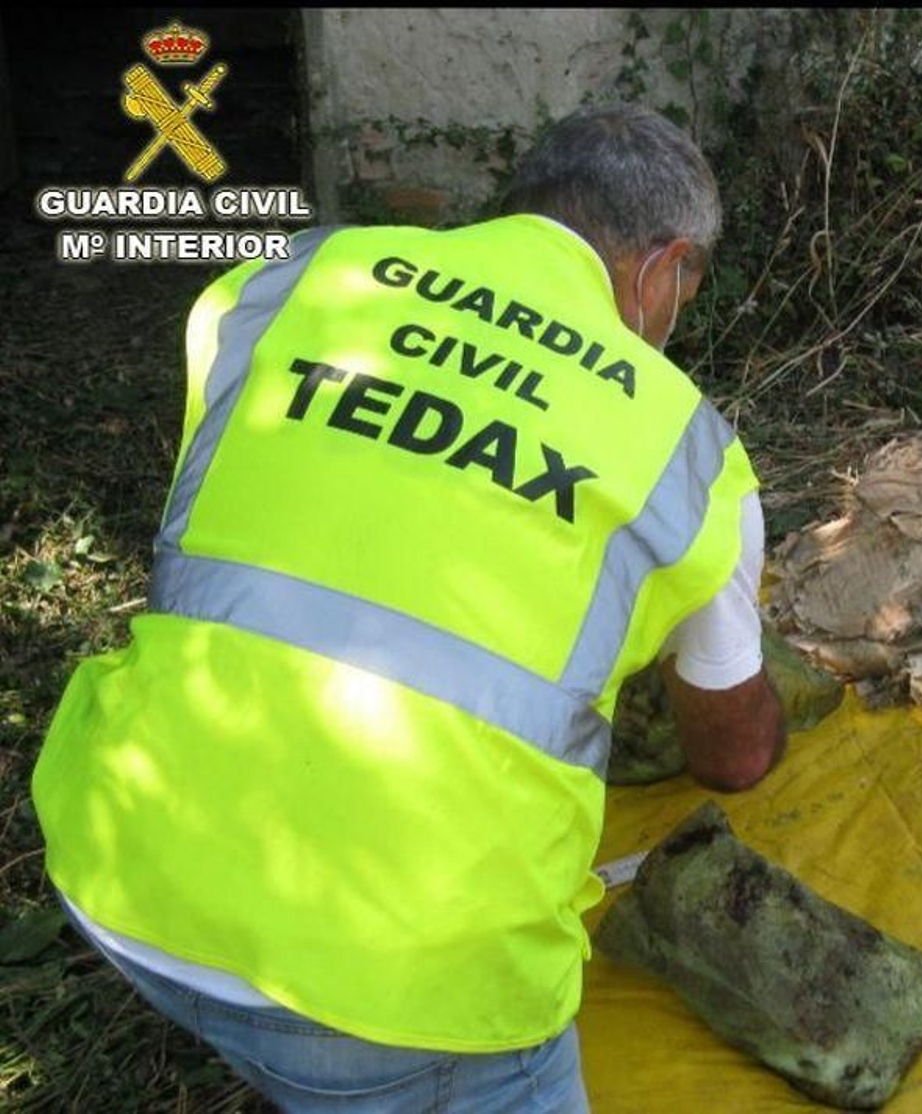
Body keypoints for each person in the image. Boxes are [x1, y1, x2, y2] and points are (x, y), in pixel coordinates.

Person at [30, 103, 786, 1112]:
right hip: (407, 998)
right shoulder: (689, 455)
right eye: (684, 292)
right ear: (663, 269)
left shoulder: (288, 282)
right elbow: (733, 757)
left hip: (119, 865)